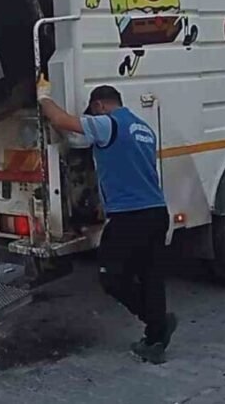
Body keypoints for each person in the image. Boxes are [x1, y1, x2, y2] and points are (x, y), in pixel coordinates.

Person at [37, 77, 178, 364]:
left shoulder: (108, 123)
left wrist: (44, 98)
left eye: (92, 113)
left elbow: (63, 121)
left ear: (100, 105)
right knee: (151, 277)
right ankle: (155, 340)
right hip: (155, 211)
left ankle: (159, 322)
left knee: (111, 276)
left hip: (129, 217)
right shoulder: (143, 128)